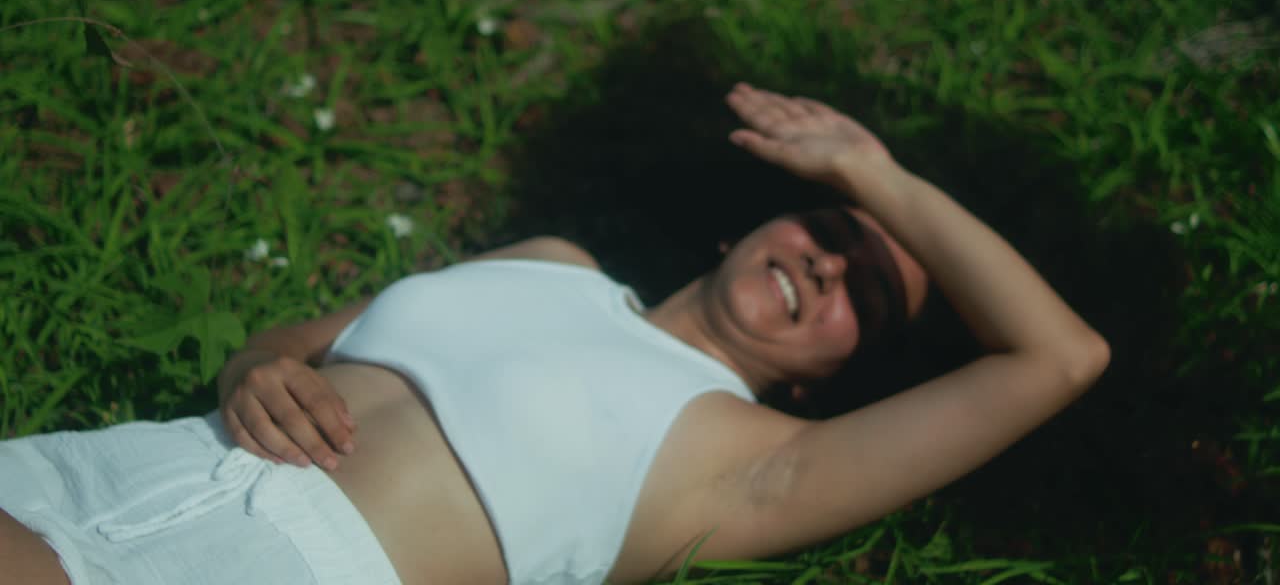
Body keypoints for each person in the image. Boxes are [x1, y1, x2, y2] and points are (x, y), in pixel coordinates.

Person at [0, 83, 1109, 585]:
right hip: (140, 464)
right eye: (825, 230)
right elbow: (304, 334)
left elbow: (1058, 359)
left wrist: (871, 174)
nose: (824, 265)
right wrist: (256, 364)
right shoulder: (552, 265)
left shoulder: (752, 463)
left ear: (832, 385)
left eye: (858, 295)